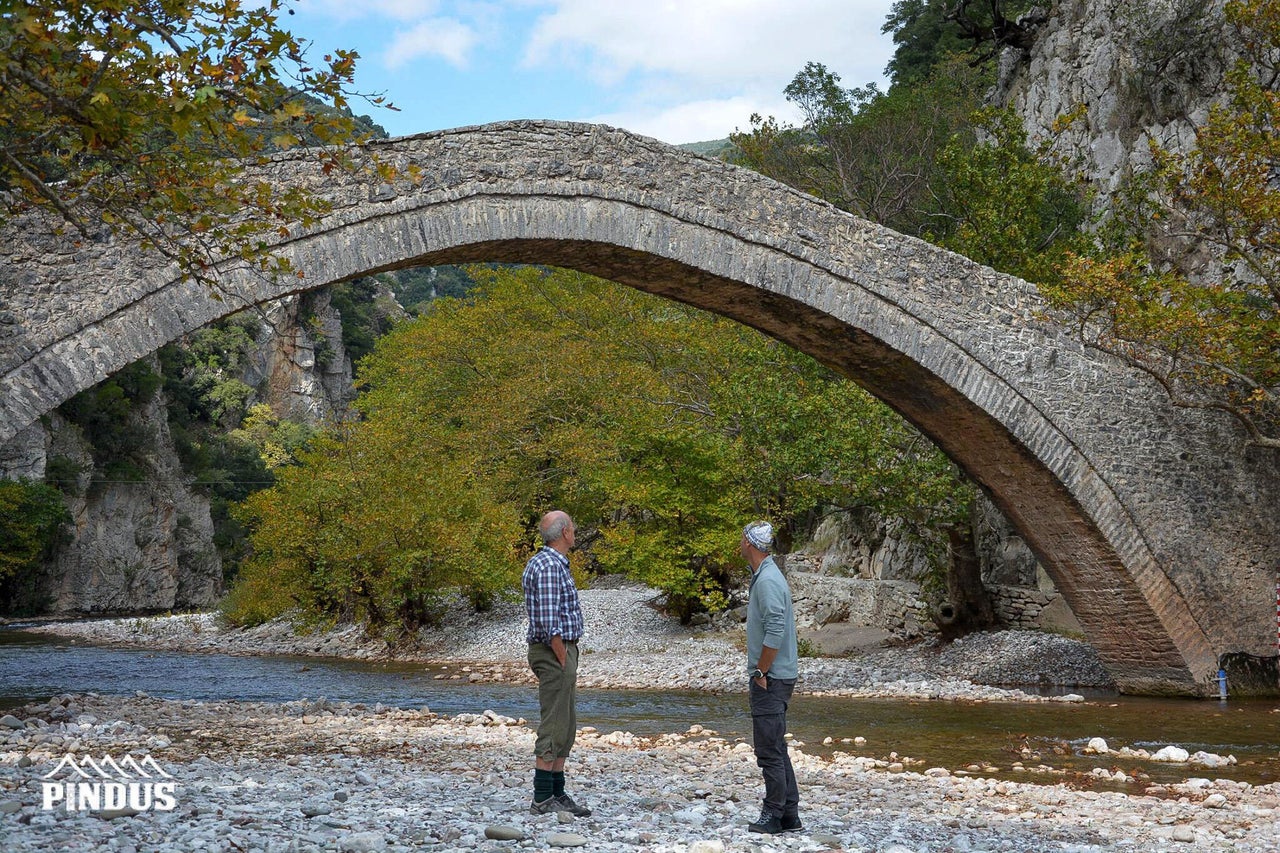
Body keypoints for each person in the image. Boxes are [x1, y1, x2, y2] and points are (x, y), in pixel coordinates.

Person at [522, 509, 591, 817]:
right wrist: (563, 658)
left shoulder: (548, 562)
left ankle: (557, 792)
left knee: (566, 723)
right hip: (554, 652)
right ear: (565, 533)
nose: (575, 532)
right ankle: (542, 796)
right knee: (554, 724)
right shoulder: (550, 566)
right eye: (573, 527)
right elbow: (551, 624)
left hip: (557, 651)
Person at [741, 520, 801, 834]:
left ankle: (774, 815)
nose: (739, 543)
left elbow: (775, 628)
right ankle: (790, 814)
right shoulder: (767, 576)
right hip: (779, 675)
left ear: (749, 544)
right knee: (777, 746)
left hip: (772, 677)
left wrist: (761, 671)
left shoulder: (766, 581)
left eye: (742, 539)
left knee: (768, 750)